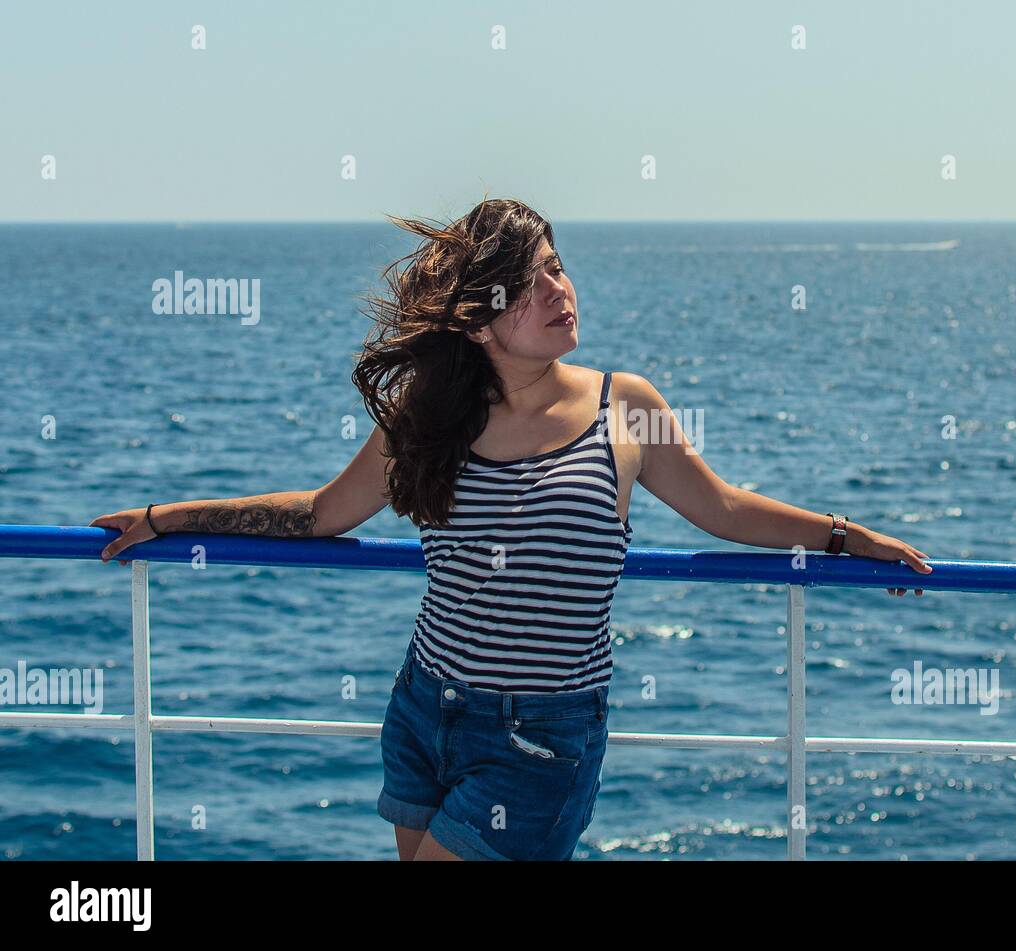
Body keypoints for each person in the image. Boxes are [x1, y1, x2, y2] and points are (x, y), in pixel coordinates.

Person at [90, 197, 932, 860]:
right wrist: (168, 519)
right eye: (530, 284)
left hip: (541, 739)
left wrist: (844, 536)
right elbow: (321, 514)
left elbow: (725, 508)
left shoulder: (624, 407)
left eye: (559, 270)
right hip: (425, 710)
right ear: (476, 320)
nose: (559, 292)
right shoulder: (432, 417)